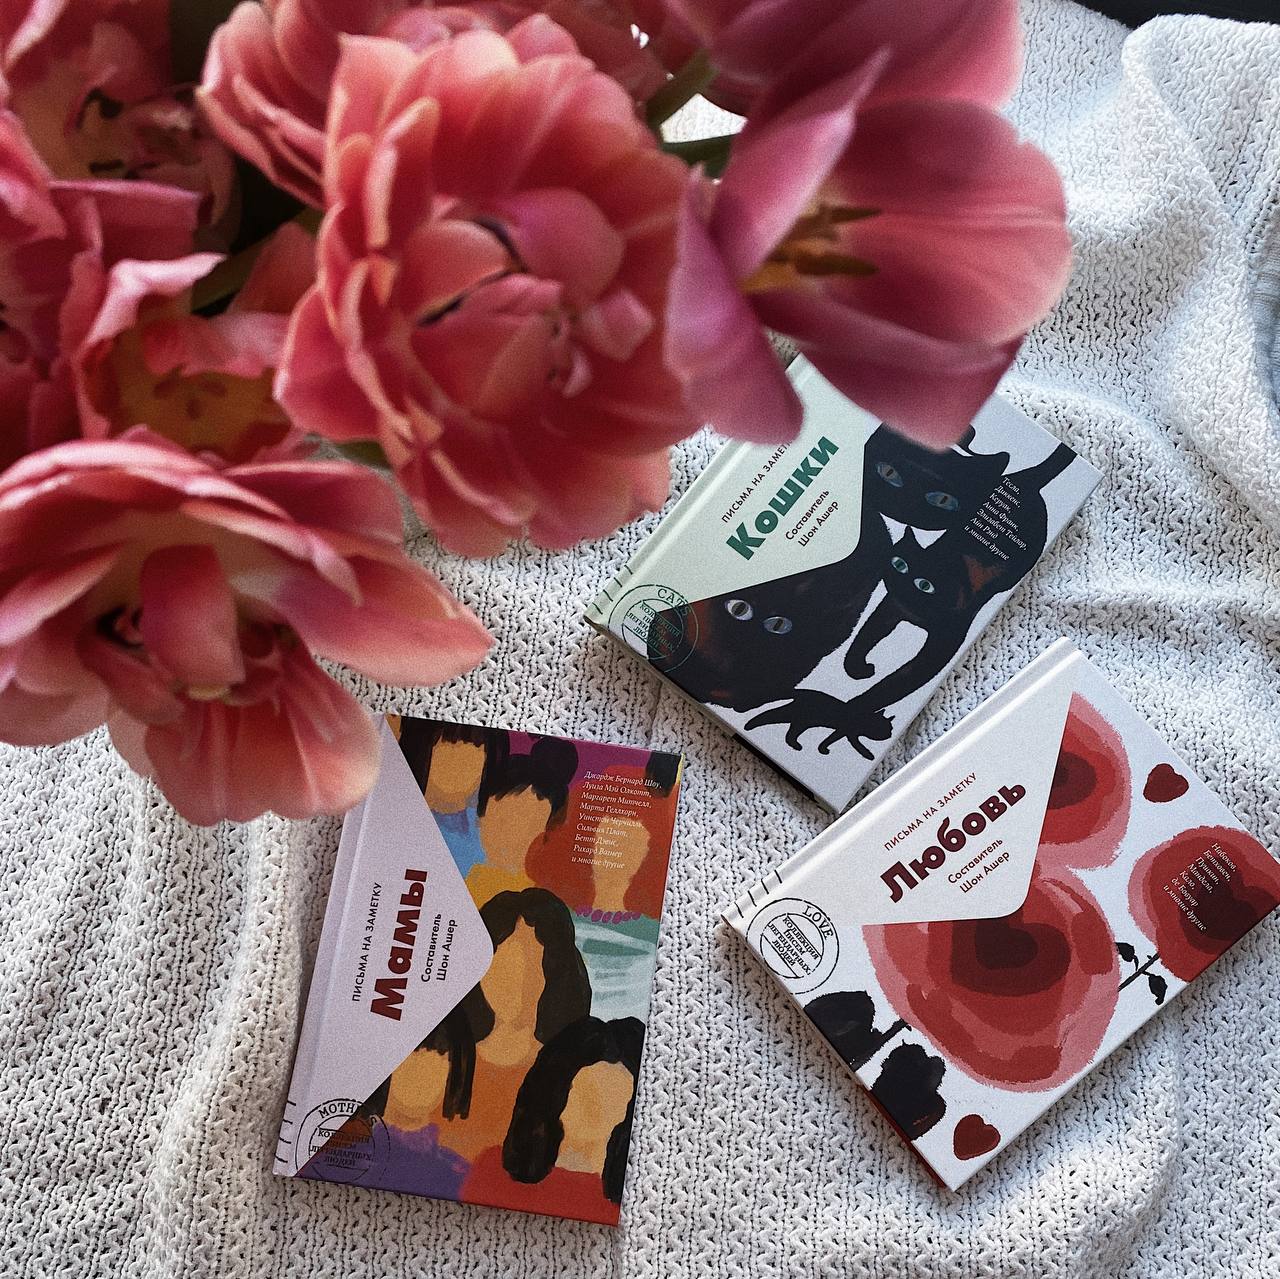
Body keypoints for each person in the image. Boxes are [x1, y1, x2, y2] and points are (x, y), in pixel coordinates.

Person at [442, 888, 591, 1162]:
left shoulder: (571, 1078)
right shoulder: (445, 1062)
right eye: (508, 961)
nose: (520, 978)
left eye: (534, 962)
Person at [526, 762, 676, 1020]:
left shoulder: (649, 933)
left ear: (646, 850)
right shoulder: (557, 917)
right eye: (607, 837)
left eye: (629, 843)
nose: (614, 851)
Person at [461, 1016, 645, 1225]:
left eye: (619, 1097)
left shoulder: (620, 1193)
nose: (605, 1111)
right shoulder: (496, 1169)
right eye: (590, 1098)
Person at [466, 737, 577, 903]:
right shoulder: (460, 869)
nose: (509, 835)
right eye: (502, 820)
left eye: (528, 826)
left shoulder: (542, 901)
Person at [395, 718, 509, 877]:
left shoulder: (482, 840)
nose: (457, 771)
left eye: (468, 761)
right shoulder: (399, 815)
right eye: (449, 759)